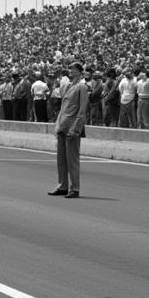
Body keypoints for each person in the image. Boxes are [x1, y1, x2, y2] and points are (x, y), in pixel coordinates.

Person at [48, 61, 89, 199]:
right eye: (70, 68)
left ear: (79, 71)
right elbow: (62, 107)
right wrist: (58, 124)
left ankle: (74, 188)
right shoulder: (67, 86)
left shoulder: (82, 87)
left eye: (73, 69)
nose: (70, 71)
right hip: (62, 125)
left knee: (72, 160)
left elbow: (82, 110)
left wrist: (76, 127)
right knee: (61, 160)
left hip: (72, 126)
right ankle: (62, 186)